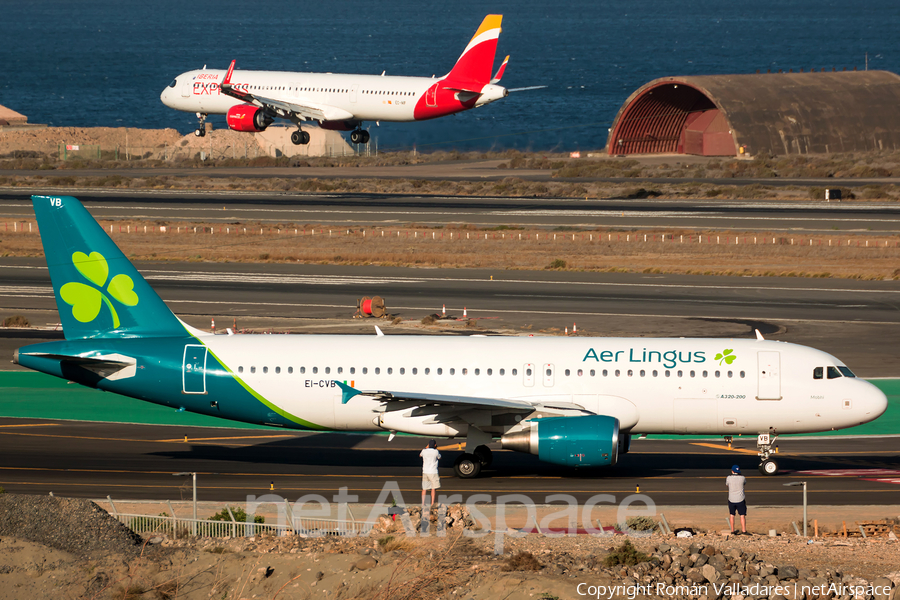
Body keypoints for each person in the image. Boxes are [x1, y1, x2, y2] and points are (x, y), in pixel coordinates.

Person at [726, 464, 747, 534]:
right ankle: (744, 530)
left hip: (731, 499)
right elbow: (744, 483)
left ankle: (732, 530)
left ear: (732, 471)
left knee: (732, 515)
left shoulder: (728, 478)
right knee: (742, 515)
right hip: (740, 499)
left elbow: (727, 484)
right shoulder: (742, 478)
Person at [420, 439, 441, 506]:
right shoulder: (436, 451)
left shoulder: (424, 451)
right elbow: (439, 457)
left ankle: (423, 503)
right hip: (433, 472)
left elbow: (420, 455)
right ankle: (432, 503)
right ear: (435, 445)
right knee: (433, 488)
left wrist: (425, 448)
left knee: (424, 488)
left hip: (425, 471)